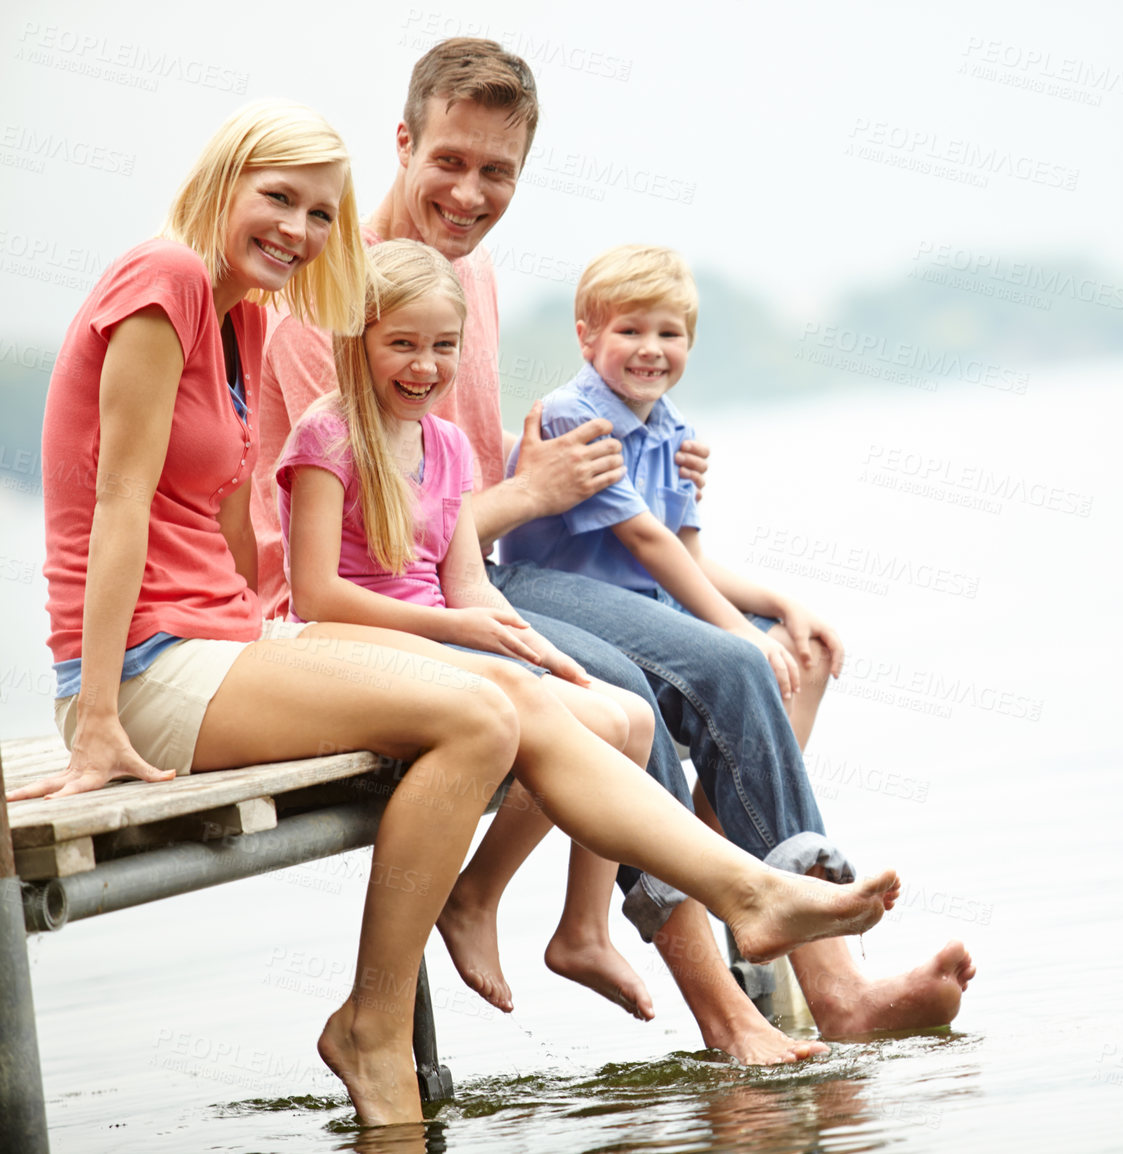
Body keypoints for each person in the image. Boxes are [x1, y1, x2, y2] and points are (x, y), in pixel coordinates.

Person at [10, 100, 897, 1128]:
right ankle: (375, 1022)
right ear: (224, 179)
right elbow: (120, 502)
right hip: (151, 668)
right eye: (279, 199)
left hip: (223, 644)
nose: (299, 230)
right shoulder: (160, 281)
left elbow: (222, 515)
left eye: (320, 214)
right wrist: (105, 714)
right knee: (483, 714)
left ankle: (745, 889)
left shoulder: (242, 312)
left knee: (563, 697)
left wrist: (278, 622)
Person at [247, 38, 973, 1060]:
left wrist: (603, 462)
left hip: (484, 572)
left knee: (748, 655)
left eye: (497, 171)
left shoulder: (472, 277)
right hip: (395, 614)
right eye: (448, 160)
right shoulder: (325, 313)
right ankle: (733, 1008)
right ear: (401, 144)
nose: (468, 191)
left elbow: (454, 463)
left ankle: (817, 980)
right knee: (663, 675)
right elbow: (363, 539)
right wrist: (531, 491)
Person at [277, 238, 660, 1020]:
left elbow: (469, 582)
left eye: (443, 347)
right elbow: (314, 594)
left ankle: (579, 926)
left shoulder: (446, 444)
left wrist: (540, 648)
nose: (424, 366)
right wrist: (456, 628)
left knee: (630, 713)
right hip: (362, 650)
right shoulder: (327, 436)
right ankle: (473, 898)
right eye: (403, 345)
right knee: (590, 724)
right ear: (360, 341)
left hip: (441, 635)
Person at [499, 245, 841, 739]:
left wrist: (780, 605)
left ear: (689, 342)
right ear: (587, 339)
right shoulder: (574, 418)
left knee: (808, 654)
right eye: (630, 330)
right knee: (745, 660)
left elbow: (688, 554)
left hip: (658, 607)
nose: (651, 348)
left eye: (669, 333)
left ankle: (717, 820)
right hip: (583, 615)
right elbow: (646, 540)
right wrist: (739, 632)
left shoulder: (676, 430)